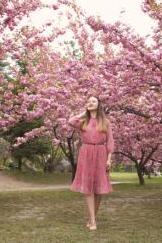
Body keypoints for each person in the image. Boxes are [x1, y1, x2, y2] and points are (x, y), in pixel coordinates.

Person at [68, 96, 115, 231]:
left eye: (93, 101)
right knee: (88, 187)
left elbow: (110, 141)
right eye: (88, 101)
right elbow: (70, 121)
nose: (90, 103)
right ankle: (93, 221)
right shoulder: (83, 121)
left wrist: (109, 159)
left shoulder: (105, 122)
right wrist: (84, 112)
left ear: (99, 105)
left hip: (101, 153)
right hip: (86, 153)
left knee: (99, 190)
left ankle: (91, 217)